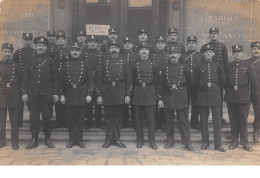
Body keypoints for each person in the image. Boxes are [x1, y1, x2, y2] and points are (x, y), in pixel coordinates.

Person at [22, 36, 59, 149]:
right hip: (33, 94)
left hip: (47, 93)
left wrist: (55, 93)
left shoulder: (50, 61)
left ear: (46, 47)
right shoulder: (30, 60)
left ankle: (48, 139)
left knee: (47, 116)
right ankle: (34, 139)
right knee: (34, 117)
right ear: (35, 46)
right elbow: (25, 78)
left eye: (43, 45)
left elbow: (55, 78)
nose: (41, 47)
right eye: (39, 45)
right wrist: (24, 92)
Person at [96, 41, 132, 148]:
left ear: (119, 50)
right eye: (112, 47)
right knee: (108, 118)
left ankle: (117, 139)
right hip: (107, 92)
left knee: (117, 118)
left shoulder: (124, 62)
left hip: (120, 92)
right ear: (109, 50)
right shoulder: (104, 63)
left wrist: (127, 94)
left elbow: (129, 80)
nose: (114, 50)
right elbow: (98, 80)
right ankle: (108, 139)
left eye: (116, 47)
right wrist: (99, 95)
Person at [158, 46, 195, 151]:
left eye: (175, 53)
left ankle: (187, 142)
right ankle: (170, 141)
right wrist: (160, 98)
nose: (173, 55)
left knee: (183, 122)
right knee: (168, 122)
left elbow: (191, 82)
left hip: (181, 96)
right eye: (171, 53)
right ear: (168, 55)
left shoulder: (185, 67)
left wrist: (182, 91)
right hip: (167, 96)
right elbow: (160, 84)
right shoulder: (164, 68)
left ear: (179, 55)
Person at [60, 42, 94, 148]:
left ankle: (79, 140)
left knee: (80, 119)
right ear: (70, 52)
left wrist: (89, 94)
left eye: (77, 50)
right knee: (70, 118)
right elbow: (61, 81)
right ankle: (71, 139)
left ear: (80, 52)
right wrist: (61, 94)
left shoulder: (86, 64)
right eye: (73, 50)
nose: (75, 52)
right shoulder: (65, 64)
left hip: (81, 93)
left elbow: (90, 81)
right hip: (69, 93)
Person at [194, 44, 226, 152]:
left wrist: (215, 88)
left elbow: (223, 81)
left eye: (210, 52)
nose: (208, 54)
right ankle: (205, 142)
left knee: (217, 121)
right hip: (202, 96)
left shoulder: (217, 66)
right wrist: (201, 85)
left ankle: (218, 144)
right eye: (206, 52)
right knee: (203, 121)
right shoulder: (198, 66)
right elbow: (194, 81)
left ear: (213, 54)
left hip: (215, 96)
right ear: (203, 54)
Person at [225, 45, 257, 152]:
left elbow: (253, 82)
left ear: (242, 53)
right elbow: (224, 81)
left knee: (243, 120)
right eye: (235, 52)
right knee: (233, 120)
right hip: (231, 97)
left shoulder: (248, 66)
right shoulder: (228, 66)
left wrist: (250, 97)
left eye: (239, 51)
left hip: (243, 97)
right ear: (233, 54)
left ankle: (245, 143)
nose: (237, 53)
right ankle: (234, 141)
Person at [132, 44, 159, 150]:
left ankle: (152, 141)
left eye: (145, 50)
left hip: (149, 92)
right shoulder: (135, 65)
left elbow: (157, 80)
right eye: (142, 49)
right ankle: (140, 140)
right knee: (138, 119)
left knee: (151, 119)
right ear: (139, 52)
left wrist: (155, 93)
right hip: (138, 92)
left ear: (148, 52)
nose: (143, 51)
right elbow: (133, 80)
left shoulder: (154, 65)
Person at [200, 27, 228, 124]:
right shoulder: (205, 46)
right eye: (211, 33)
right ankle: (204, 117)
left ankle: (218, 117)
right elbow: (202, 60)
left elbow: (226, 62)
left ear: (218, 34)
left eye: (215, 33)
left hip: (218, 74)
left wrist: (224, 76)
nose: (213, 35)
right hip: (207, 73)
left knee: (218, 97)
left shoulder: (222, 46)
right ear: (209, 35)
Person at [0, 43, 22, 150]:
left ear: (12, 53)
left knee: (14, 121)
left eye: (9, 52)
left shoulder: (16, 65)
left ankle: (15, 142)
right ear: (2, 52)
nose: (7, 54)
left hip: (14, 95)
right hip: (1, 95)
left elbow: (21, 80)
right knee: (1, 121)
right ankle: (2, 141)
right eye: (5, 51)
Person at [12, 32, 36, 128]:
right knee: (18, 101)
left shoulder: (34, 52)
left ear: (31, 41)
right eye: (25, 39)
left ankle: (33, 122)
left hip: (31, 80)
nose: (27, 41)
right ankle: (18, 123)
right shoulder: (18, 52)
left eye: (29, 40)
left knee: (31, 102)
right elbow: (13, 65)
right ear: (22, 40)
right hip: (20, 80)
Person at [180, 36, 202, 130]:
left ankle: (194, 123)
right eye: (189, 43)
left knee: (196, 104)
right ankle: (183, 123)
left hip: (196, 84)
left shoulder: (200, 55)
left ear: (196, 44)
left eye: (193, 43)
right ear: (187, 44)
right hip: (186, 84)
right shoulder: (183, 56)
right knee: (184, 104)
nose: (191, 45)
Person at [84, 35, 104, 129]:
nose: (92, 44)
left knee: (98, 101)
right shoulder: (84, 54)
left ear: (97, 44)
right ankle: (89, 122)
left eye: (94, 42)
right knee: (88, 101)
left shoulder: (101, 54)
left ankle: (98, 122)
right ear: (88, 43)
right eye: (91, 42)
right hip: (87, 79)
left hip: (98, 79)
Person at [52, 30, 70, 128]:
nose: (60, 41)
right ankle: (59, 121)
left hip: (67, 78)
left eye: (62, 39)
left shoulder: (69, 51)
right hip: (57, 78)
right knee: (58, 99)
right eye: (58, 39)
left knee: (66, 98)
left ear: (65, 41)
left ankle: (67, 121)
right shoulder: (54, 52)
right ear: (56, 41)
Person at [121, 37, 138, 129]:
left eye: (129, 43)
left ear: (132, 45)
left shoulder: (136, 55)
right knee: (124, 102)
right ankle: (124, 122)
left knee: (134, 103)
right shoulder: (120, 55)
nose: (127, 45)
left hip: (135, 81)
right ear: (123, 45)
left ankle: (135, 123)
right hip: (123, 82)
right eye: (126, 43)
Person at [152, 36, 168, 130]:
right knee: (154, 103)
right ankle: (155, 124)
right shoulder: (152, 55)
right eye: (158, 43)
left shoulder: (168, 55)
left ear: (165, 45)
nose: (160, 45)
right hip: (154, 80)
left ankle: (163, 123)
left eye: (162, 43)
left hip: (165, 81)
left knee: (163, 102)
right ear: (156, 45)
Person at [247, 41, 260, 143]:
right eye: (254, 49)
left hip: (258, 91)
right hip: (247, 90)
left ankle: (256, 131)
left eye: (258, 49)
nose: (256, 50)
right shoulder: (247, 62)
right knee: (243, 111)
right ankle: (237, 131)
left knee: (258, 112)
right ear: (251, 50)